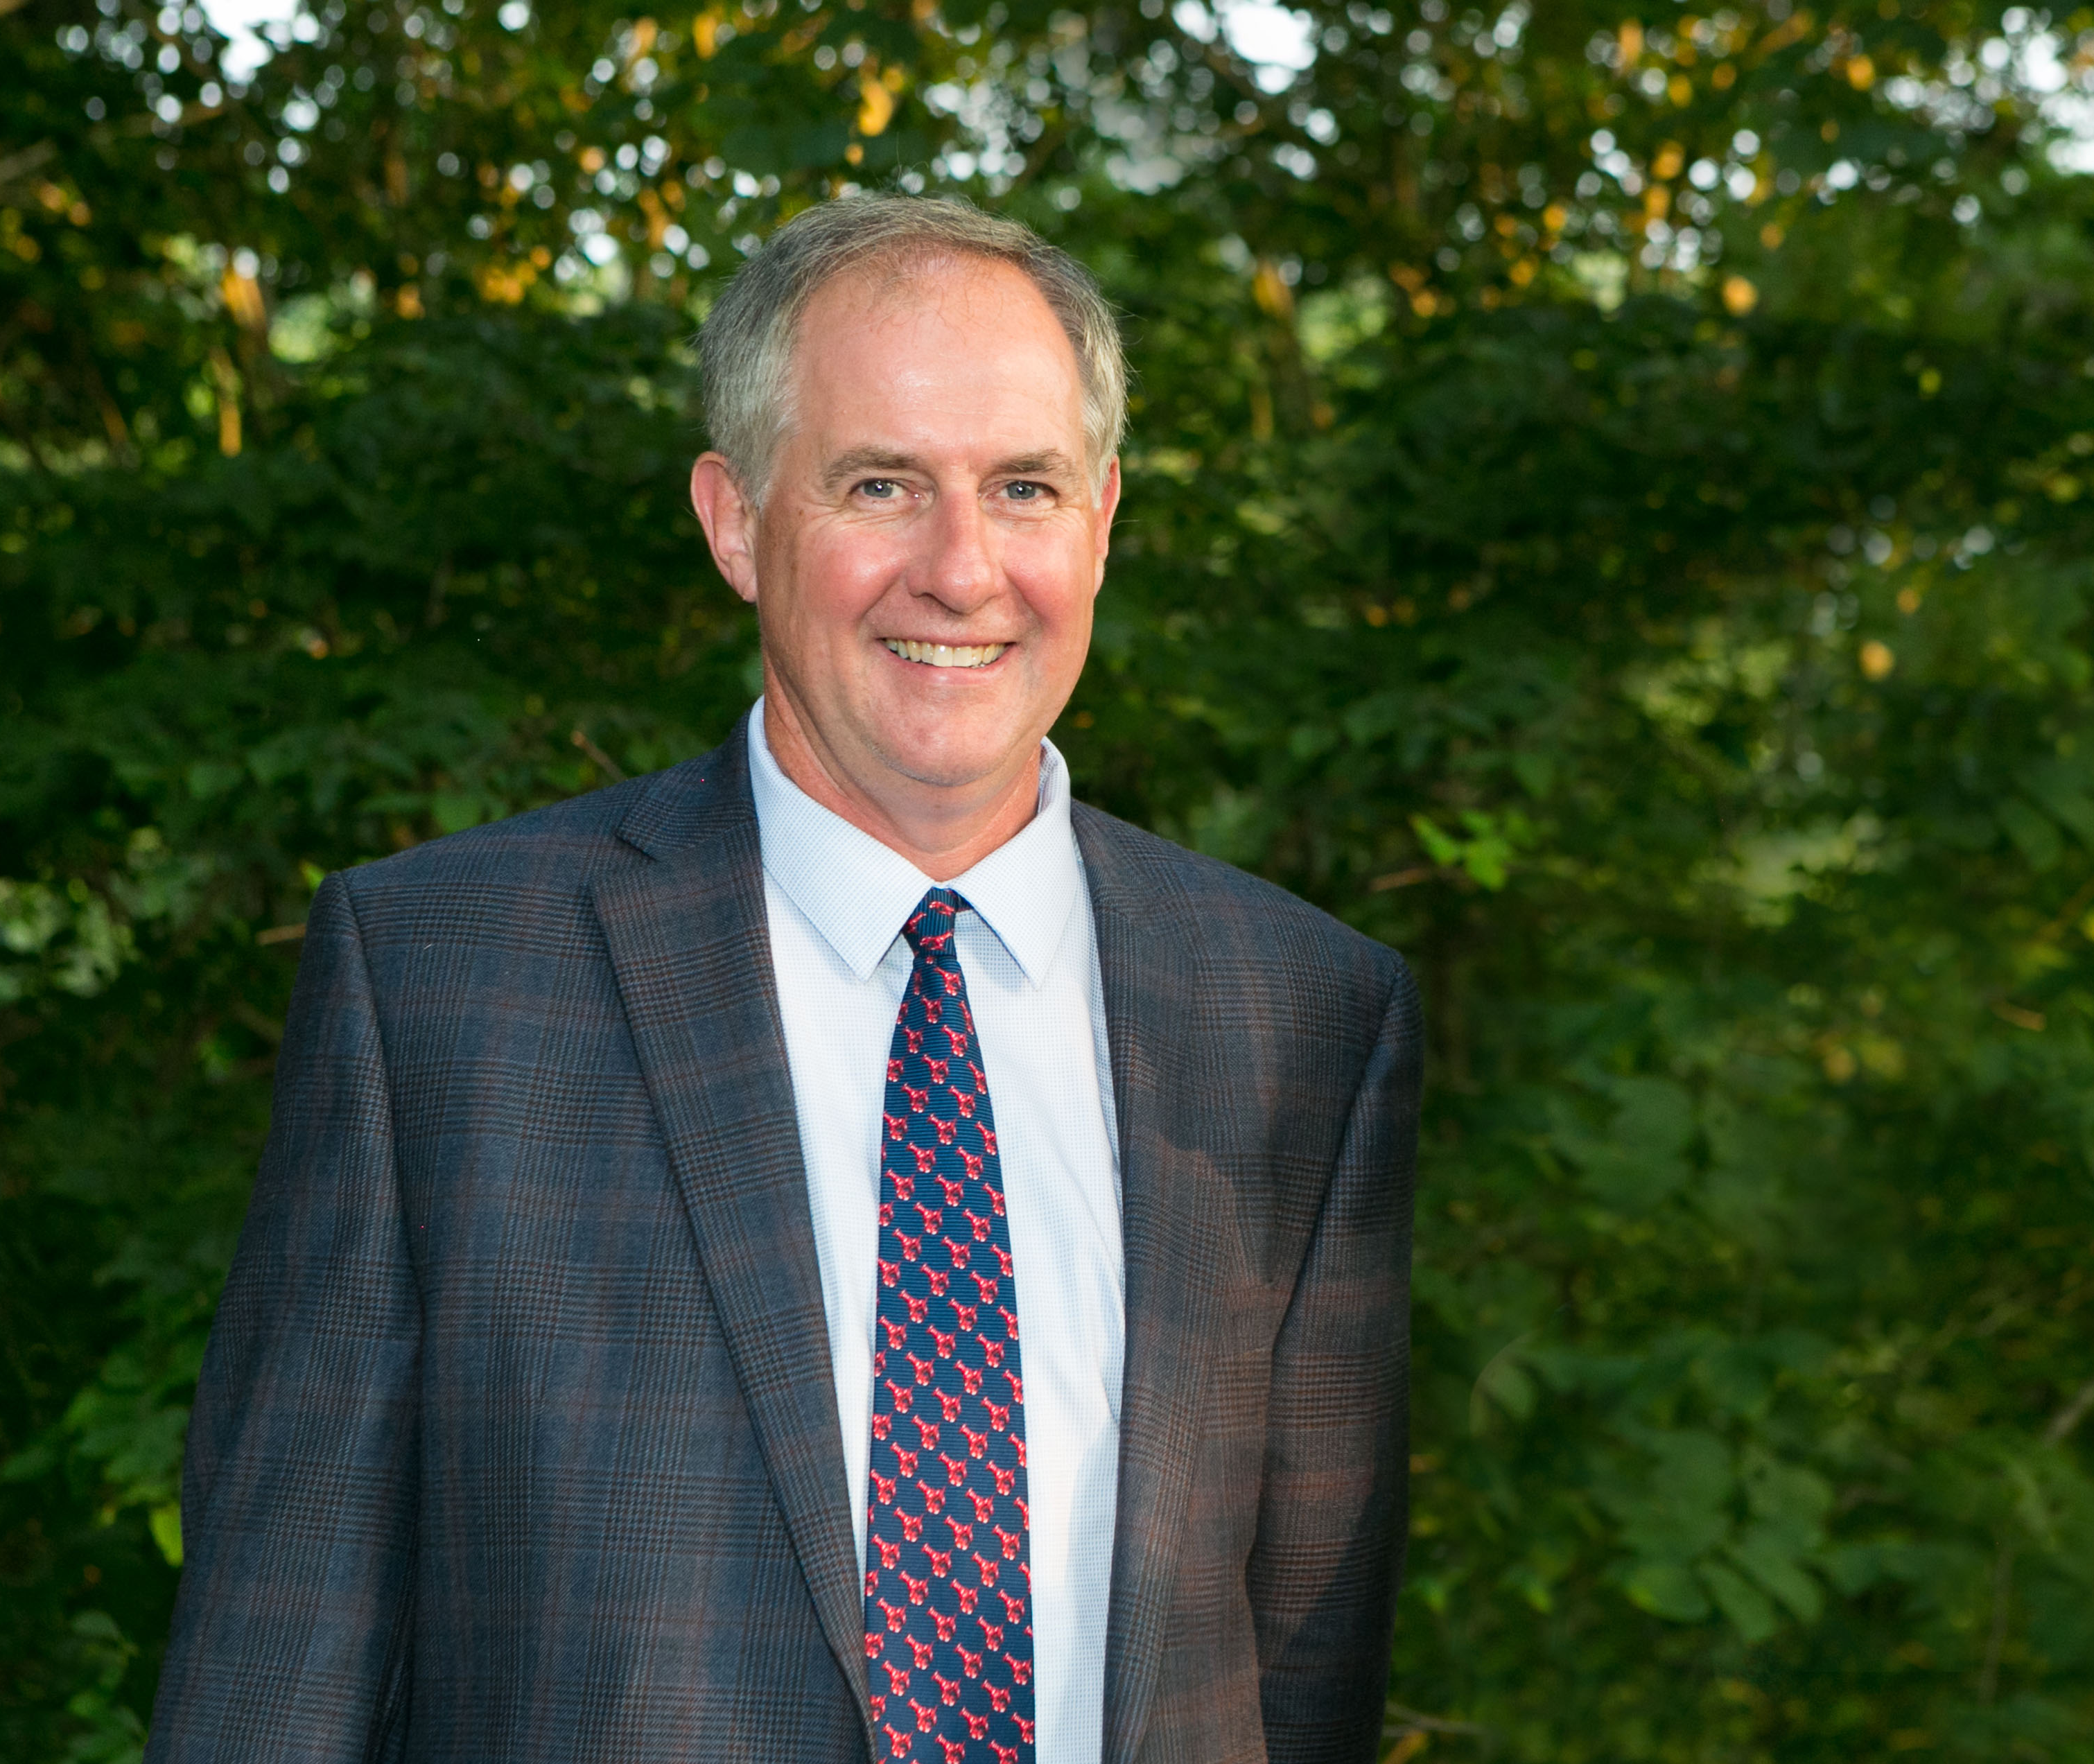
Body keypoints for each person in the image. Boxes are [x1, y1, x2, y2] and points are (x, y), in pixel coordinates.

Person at [144, 195, 1421, 1764]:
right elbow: (275, 1680)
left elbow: (1303, 1680)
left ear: (1100, 520)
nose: (960, 571)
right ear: (737, 519)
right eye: (880, 483)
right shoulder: (439, 992)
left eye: (1021, 487)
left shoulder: (1299, 1016)